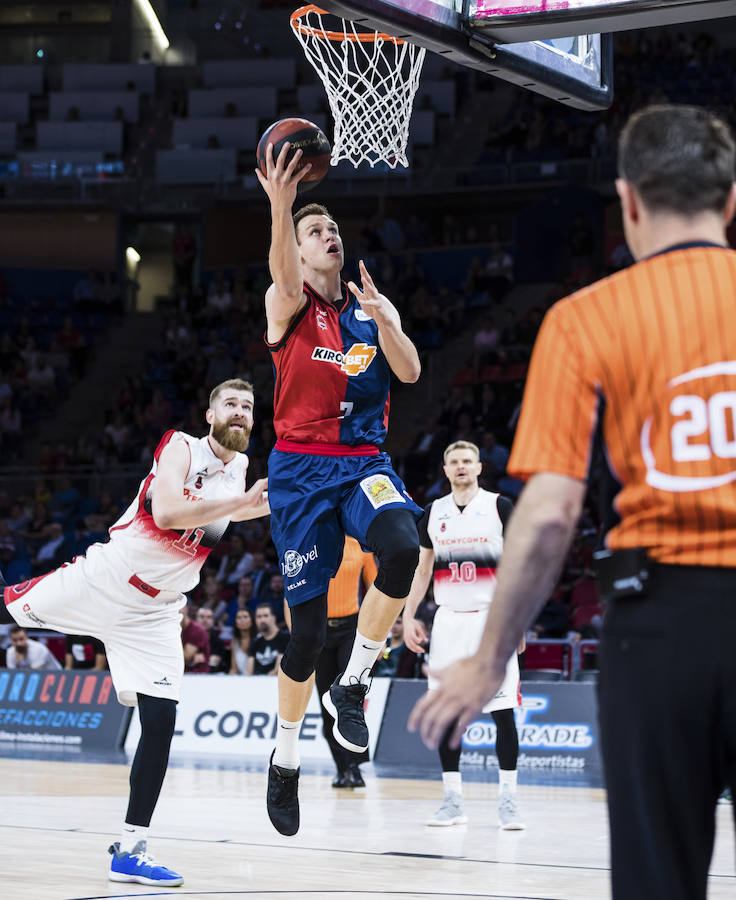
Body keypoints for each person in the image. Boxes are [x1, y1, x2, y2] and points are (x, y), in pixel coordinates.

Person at [408, 105, 736, 900]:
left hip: (662, 624)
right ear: (729, 201)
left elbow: (551, 514)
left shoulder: (584, 319)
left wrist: (488, 662)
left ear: (627, 202)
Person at [0, 378, 269, 887]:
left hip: (157, 614)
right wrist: (238, 505)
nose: (240, 412)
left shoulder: (242, 470)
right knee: (7, 612)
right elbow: (166, 512)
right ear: (210, 415)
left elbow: (249, 507)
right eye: (230, 404)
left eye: (248, 408)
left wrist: (278, 501)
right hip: (107, 579)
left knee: (161, 723)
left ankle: (130, 849)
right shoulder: (179, 446)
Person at [256, 142, 422, 836]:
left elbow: (409, 374)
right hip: (298, 471)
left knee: (404, 548)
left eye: (333, 231)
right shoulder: (287, 303)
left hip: (362, 462)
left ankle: (353, 683)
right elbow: (279, 269)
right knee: (305, 638)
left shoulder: (366, 310)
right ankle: (286, 759)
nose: (331, 237)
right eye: (315, 233)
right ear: (299, 249)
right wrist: (282, 205)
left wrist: (388, 322)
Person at [405, 441, 524, 830]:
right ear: (444, 469)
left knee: (503, 712)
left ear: (478, 467)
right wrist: (408, 617)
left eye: (467, 462)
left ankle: (508, 798)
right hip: (449, 621)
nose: (460, 467)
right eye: (453, 461)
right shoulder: (432, 512)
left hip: (491, 619)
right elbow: (422, 571)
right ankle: (452, 800)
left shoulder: (499, 506)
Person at [317, 535, 377, 789]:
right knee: (326, 705)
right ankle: (341, 767)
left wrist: (376, 629)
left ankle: (355, 767)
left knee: (349, 699)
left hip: (351, 628)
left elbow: (376, 587)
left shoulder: (361, 546)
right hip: (318, 630)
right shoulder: (315, 540)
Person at [247, 602, 289, 675]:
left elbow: (278, 670)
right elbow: (248, 671)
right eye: (259, 617)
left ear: (273, 618)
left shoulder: (285, 638)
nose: (262, 620)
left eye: (265, 616)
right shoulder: (255, 641)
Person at [181, 603, 210, 673]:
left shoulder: (197, 631)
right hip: (176, 674)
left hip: (197, 677)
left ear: (185, 608)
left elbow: (186, 658)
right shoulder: (170, 629)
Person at [229, 607, 255, 674]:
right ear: (235, 622)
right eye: (239, 618)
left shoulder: (259, 639)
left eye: (245, 617)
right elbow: (234, 669)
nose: (242, 620)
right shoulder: (234, 642)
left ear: (252, 620)